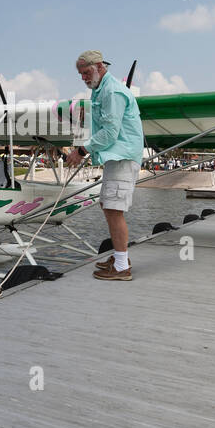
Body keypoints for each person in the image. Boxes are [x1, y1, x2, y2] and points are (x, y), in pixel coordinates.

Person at [65, 50, 143, 281]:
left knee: (113, 209)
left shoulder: (112, 91)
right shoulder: (102, 90)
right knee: (108, 207)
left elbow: (110, 132)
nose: (83, 78)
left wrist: (80, 151)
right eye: (80, 74)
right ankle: (120, 258)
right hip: (115, 158)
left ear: (100, 66)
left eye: (86, 72)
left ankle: (121, 267)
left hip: (123, 157)